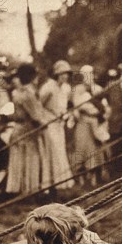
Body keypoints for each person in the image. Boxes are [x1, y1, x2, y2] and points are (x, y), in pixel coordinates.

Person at [6, 63, 50, 194]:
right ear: (30, 77)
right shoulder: (28, 94)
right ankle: (29, 189)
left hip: (18, 129)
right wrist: (46, 123)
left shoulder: (17, 92)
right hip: (27, 130)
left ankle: (19, 189)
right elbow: (36, 116)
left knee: (20, 160)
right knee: (30, 160)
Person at [39, 60, 74, 189]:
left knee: (59, 152)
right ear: (56, 74)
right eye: (62, 73)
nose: (65, 76)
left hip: (59, 124)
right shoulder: (48, 87)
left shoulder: (66, 88)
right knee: (51, 152)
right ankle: (47, 185)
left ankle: (58, 184)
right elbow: (39, 105)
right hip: (49, 123)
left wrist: (65, 115)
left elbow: (65, 105)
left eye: (66, 74)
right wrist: (44, 119)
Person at [72, 67, 108, 185]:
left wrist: (97, 112)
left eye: (90, 74)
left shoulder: (97, 89)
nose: (88, 76)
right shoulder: (77, 89)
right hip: (83, 123)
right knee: (81, 149)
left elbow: (104, 106)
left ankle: (95, 177)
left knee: (95, 150)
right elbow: (78, 105)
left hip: (96, 123)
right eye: (85, 74)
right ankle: (81, 178)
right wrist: (90, 109)